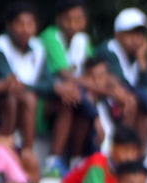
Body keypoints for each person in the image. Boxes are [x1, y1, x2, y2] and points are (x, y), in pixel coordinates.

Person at [0, 2, 81, 178]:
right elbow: (10, 84)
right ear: (9, 26)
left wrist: (41, 87)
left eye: (30, 24)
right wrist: (46, 87)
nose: (25, 29)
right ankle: (28, 154)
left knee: (66, 100)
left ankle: (53, 160)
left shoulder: (38, 48)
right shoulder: (1, 46)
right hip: (8, 105)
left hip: (33, 103)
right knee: (26, 98)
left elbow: (47, 83)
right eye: (20, 24)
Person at [38, 0, 100, 171]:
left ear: (85, 21)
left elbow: (91, 74)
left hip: (75, 97)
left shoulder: (82, 40)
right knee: (70, 101)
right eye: (68, 19)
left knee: (80, 101)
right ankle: (53, 161)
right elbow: (65, 74)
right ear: (58, 20)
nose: (73, 25)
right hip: (44, 99)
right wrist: (107, 89)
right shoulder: (50, 36)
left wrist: (96, 86)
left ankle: (76, 161)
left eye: (78, 19)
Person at [96, 8, 147, 147]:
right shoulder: (108, 50)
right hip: (105, 104)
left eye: (140, 34)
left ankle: (137, 157)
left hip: (129, 104)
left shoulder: (137, 57)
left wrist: (143, 63)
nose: (137, 39)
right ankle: (122, 147)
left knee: (144, 106)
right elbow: (123, 84)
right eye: (131, 34)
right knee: (133, 100)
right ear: (118, 35)